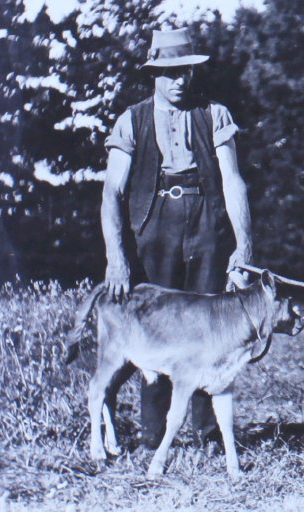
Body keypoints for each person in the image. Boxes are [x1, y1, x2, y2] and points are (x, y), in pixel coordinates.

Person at [100, 28, 253, 449]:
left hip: (207, 223)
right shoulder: (132, 119)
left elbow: (233, 181)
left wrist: (244, 246)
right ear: (154, 73)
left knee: (209, 323)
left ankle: (209, 433)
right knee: (158, 323)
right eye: (169, 72)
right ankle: (153, 433)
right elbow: (112, 192)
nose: (179, 80)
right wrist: (116, 256)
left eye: (185, 71)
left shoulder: (214, 114)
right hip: (153, 225)